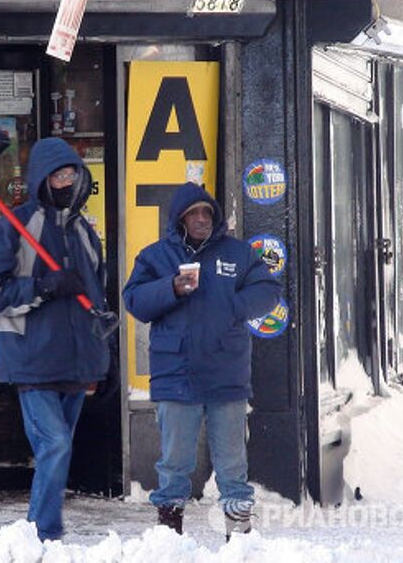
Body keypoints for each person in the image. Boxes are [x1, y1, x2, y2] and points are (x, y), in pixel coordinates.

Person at [122, 181, 280, 539]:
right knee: (174, 465)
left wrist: (234, 307)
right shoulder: (155, 256)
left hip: (227, 375)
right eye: (193, 213)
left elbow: (269, 291)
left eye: (206, 212)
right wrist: (172, 288)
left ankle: (239, 541)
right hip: (175, 375)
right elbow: (134, 301)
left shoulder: (239, 253)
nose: (201, 219)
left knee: (233, 466)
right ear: (179, 219)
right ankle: (169, 541)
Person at [0, 137, 110, 541]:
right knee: (55, 446)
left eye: (71, 173)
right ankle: (42, 533)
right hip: (32, 359)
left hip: (75, 362)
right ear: (42, 179)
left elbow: (96, 299)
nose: (66, 181)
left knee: (59, 448)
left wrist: (103, 352)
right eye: (57, 174)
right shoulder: (16, 226)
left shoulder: (85, 231)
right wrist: (45, 286)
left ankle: (41, 532)